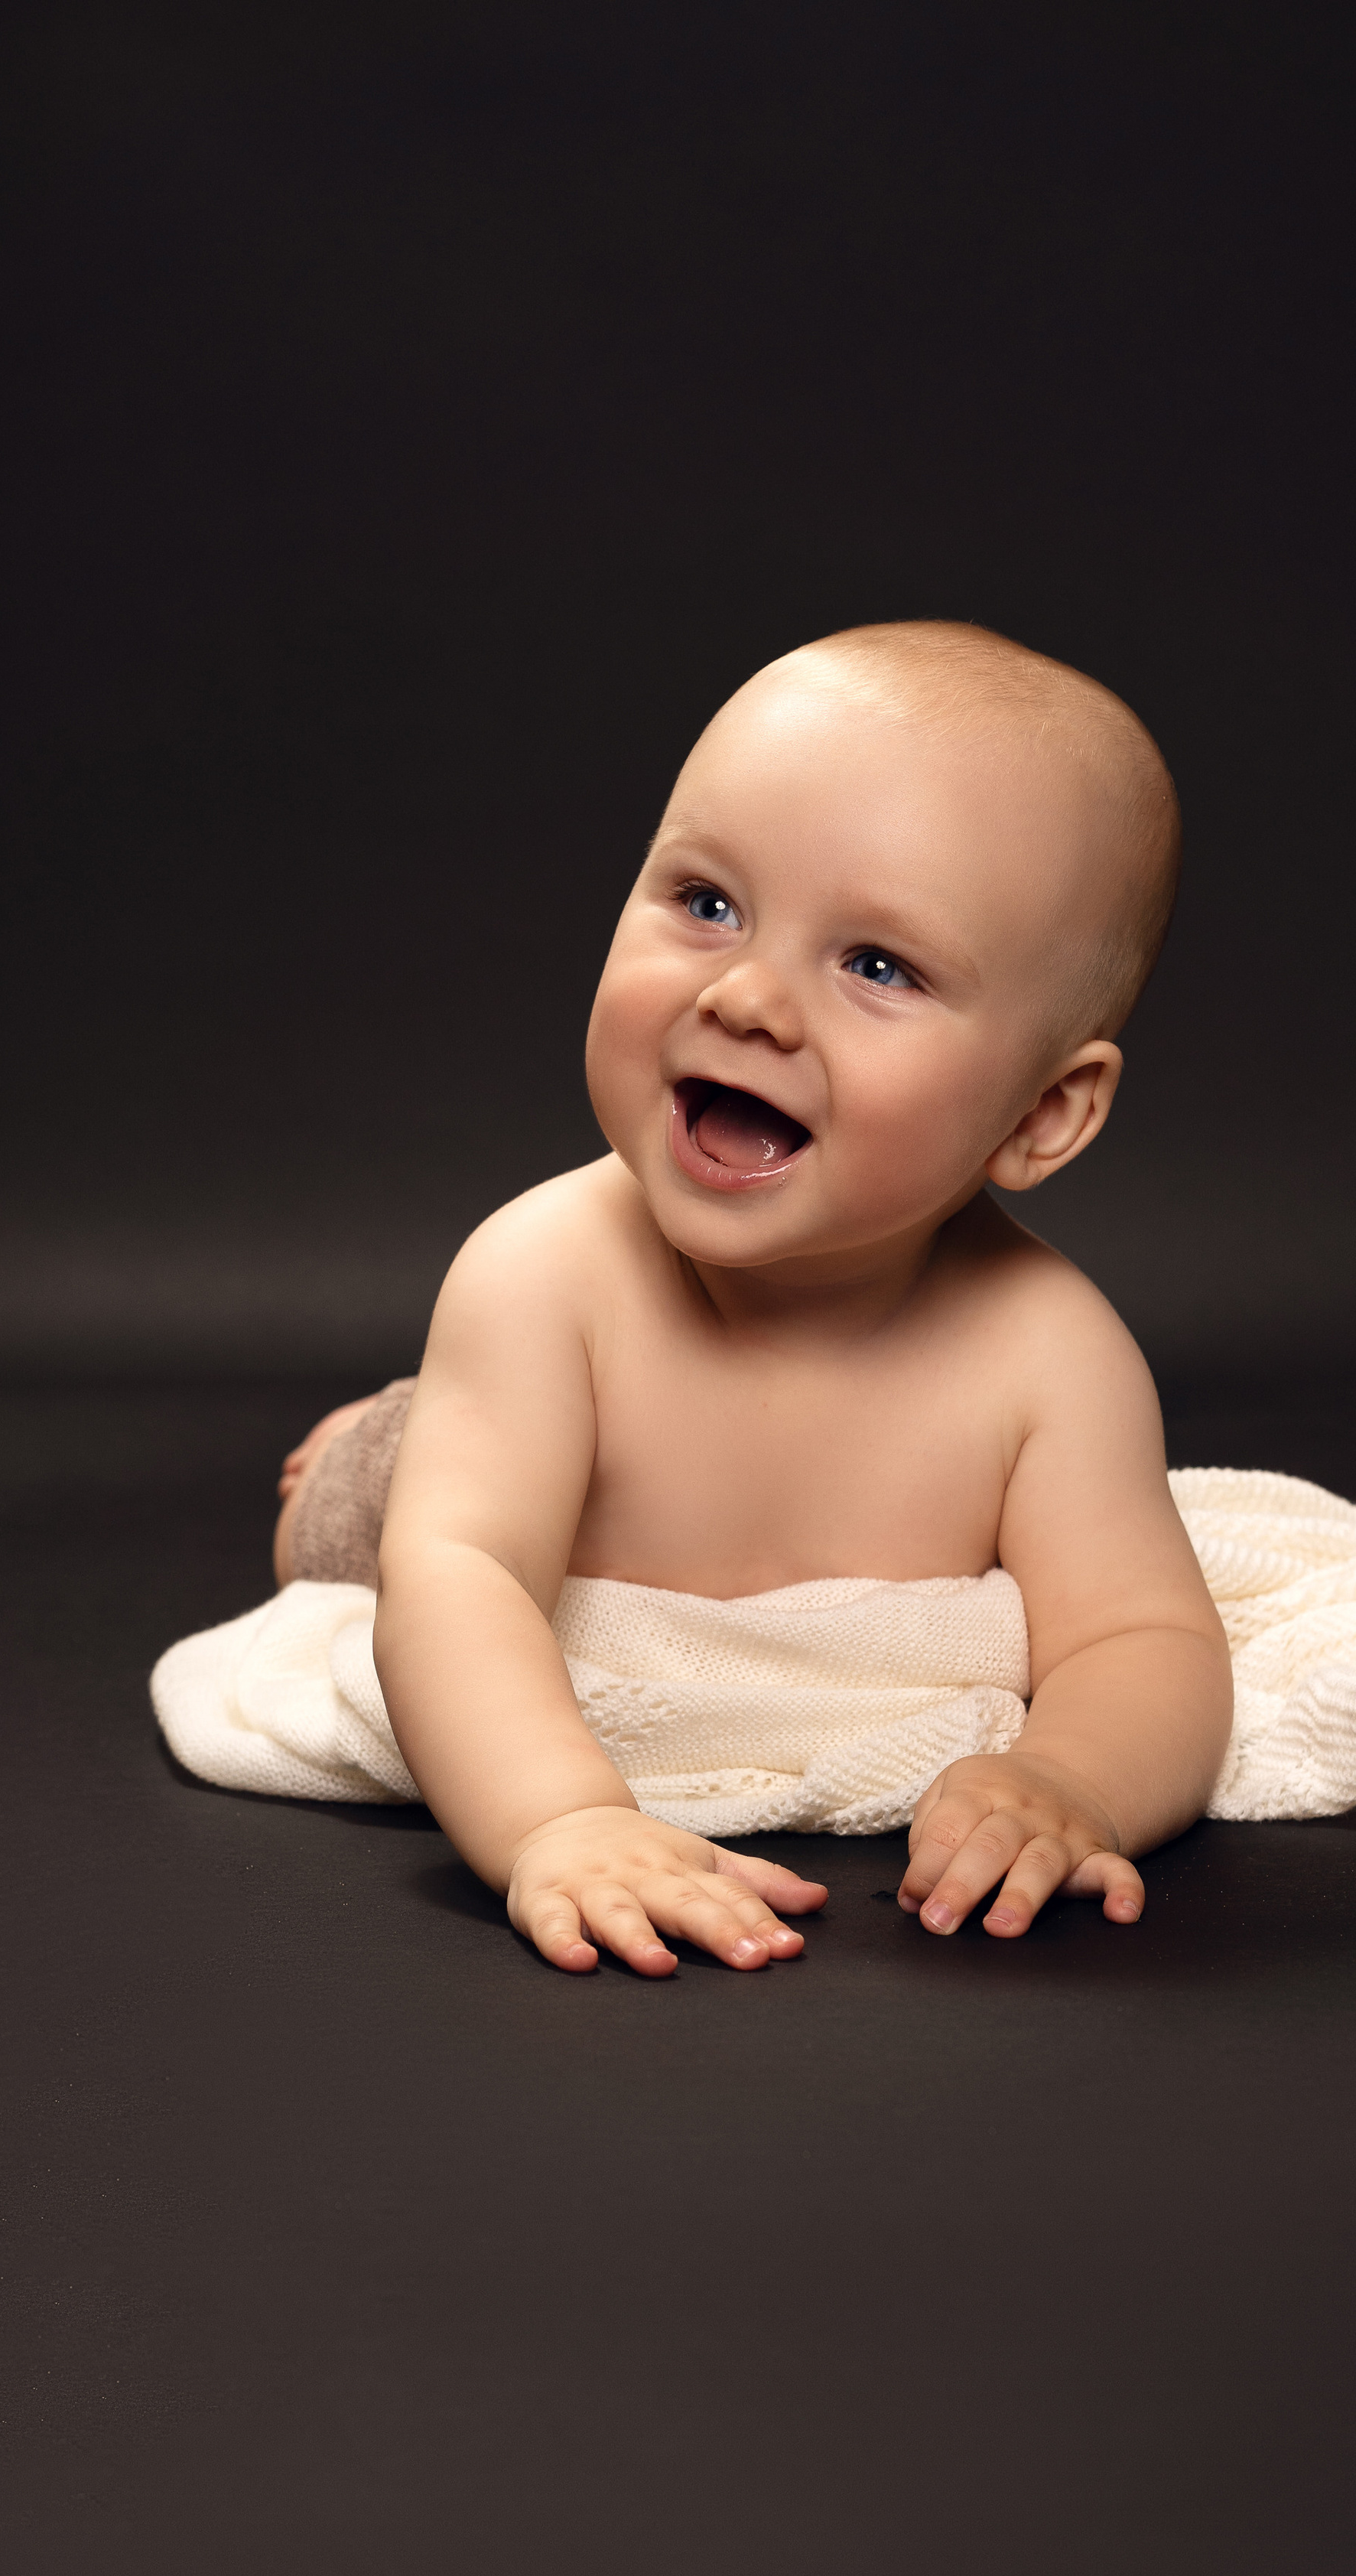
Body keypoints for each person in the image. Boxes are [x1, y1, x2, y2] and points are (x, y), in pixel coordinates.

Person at [272, 620, 1232, 1975]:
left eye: (878, 966)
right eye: (709, 903)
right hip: (498, 1450)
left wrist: (1068, 1777)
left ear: (1043, 1112)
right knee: (366, 1517)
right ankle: (391, 1430)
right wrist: (562, 1817)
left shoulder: (1049, 1354)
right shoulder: (545, 1271)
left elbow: (1147, 1636)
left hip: (567, 1434)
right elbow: (460, 1576)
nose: (749, 998)